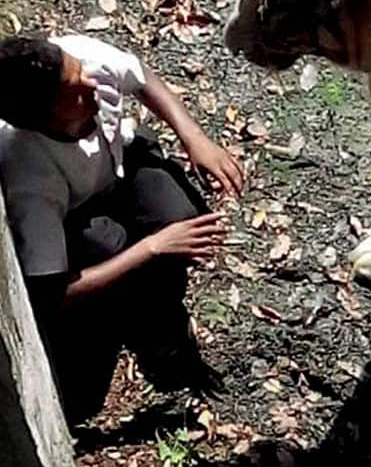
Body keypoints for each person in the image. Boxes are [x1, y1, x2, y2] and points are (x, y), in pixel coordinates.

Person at [0, 31, 244, 426]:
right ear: (43, 120)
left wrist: (194, 137)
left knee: (181, 217)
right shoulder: (29, 175)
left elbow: (140, 77)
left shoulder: (80, 59)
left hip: (120, 162)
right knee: (112, 248)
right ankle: (141, 328)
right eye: (73, 91)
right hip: (76, 215)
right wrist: (151, 248)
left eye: (78, 71)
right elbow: (49, 293)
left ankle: (161, 319)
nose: (91, 82)